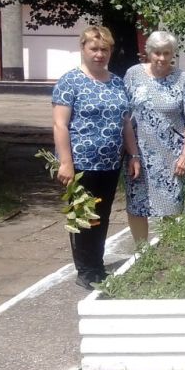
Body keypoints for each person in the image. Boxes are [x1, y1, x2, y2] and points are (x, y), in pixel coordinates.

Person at [52, 26, 140, 290]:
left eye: (104, 49)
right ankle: (86, 270)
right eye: (94, 48)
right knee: (82, 216)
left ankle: (97, 265)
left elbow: (125, 122)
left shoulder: (116, 82)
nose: (99, 54)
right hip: (80, 164)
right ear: (83, 49)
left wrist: (133, 154)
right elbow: (60, 125)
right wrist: (66, 162)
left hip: (110, 163)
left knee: (100, 215)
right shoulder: (70, 81)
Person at [124, 30, 185, 245]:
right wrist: (132, 154)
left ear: (173, 54)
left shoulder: (182, 78)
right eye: (157, 53)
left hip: (172, 157)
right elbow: (125, 118)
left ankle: (167, 253)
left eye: (167, 53)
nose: (162, 58)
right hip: (138, 155)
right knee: (137, 205)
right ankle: (142, 253)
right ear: (149, 52)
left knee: (171, 205)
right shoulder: (133, 75)